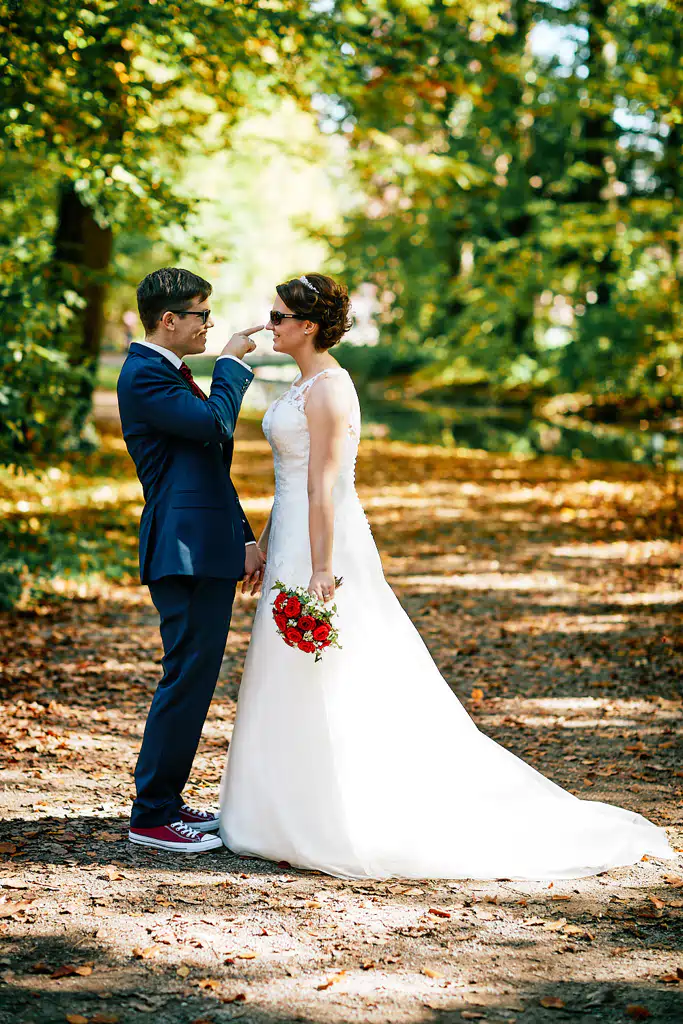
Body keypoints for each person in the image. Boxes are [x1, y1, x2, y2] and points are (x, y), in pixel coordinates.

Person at [219, 272, 676, 880]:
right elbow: (290, 484)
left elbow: (322, 486)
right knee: (290, 666)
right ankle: (281, 806)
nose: (269, 324)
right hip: (292, 539)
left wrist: (322, 569)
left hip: (322, 543)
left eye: (278, 317)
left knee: (333, 665)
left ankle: (337, 812)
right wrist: (263, 542)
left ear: (308, 326)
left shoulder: (328, 390)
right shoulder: (303, 385)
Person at [117, 267, 266, 853]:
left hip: (205, 544)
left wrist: (243, 538)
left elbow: (207, 464)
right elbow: (214, 424)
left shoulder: (168, 372)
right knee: (185, 678)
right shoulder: (143, 375)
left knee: (196, 678)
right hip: (181, 550)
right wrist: (230, 365)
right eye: (202, 314)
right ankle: (151, 815)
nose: (209, 323)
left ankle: (167, 800)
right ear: (169, 319)